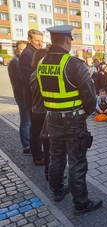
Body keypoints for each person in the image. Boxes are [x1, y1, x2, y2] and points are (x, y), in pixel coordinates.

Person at [36, 25, 102, 215]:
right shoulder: (74, 64)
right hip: (74, 120)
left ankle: (57, 191)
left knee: (56, 157)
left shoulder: (41, 63)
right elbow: (90, 97)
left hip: (52, 119)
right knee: (77, 162)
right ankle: (81, 203)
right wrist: (85, 113)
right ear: (67, 40)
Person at [19, 29, 44, 165]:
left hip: (36, 98)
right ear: (30, 40)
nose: (40, 43)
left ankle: (38, 154)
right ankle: (38, 156)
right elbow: (25, 78)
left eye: (41, 41)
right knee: (36, 128)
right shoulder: (27, 54)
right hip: (33, 98)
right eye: (37, 41)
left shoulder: (34, 52)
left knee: (37, 127)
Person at [29, 48, 50, 181]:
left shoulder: (33, 74)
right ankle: (49, 171)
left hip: (36, 110)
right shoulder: (42, 74)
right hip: (44, 112)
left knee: (44, 141)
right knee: (49, 144)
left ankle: (48, 169)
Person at [7, 40, 31, 155]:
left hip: (25, 95)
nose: (23, 52)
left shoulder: (21, 61)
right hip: (21, 95)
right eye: (21, 49)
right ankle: (26, 146)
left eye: (25, 49)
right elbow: (23, 79)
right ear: (17, 49)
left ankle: (30, 143)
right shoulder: (15, 62)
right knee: (26, 121)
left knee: (29, 121)